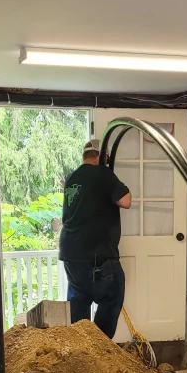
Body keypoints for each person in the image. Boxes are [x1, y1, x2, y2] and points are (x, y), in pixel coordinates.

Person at [58, 138, 131, 339]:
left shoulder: (72, 177)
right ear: (103, 157)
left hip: (71, 254)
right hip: (97, 255)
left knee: (79, 301)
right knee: (112, 294)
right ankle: (100, 347)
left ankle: (80, 350)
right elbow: (126, 201)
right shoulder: (103, 174)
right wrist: (109, 175)